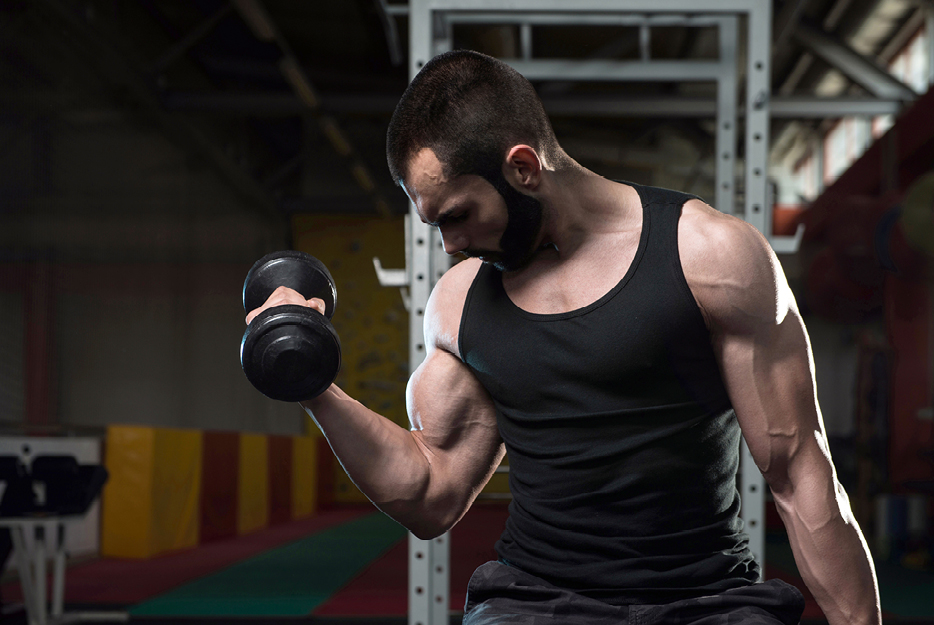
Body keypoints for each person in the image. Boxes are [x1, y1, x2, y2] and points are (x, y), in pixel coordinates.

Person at [246, 50, 882, 625]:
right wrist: (313, 385)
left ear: (523, 168)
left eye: (459, 215)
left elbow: (800, 474)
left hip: (707, 599)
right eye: (436, 224)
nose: (451, 245)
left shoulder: (710, 257)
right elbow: (429, 493)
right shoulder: (463, 302)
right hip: (536, 602)